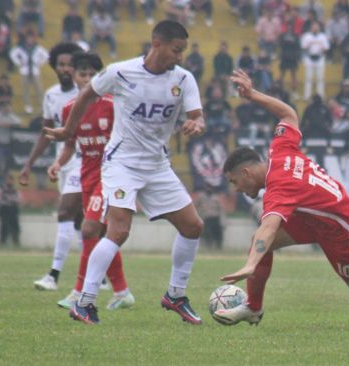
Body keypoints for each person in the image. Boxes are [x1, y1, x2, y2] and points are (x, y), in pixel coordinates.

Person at [212, 69, 349, 326]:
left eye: (234, 181)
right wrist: (252, 95)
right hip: (315, 221)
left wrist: (251, 263)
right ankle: (253, 307)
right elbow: (289, 114)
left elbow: (269, 227)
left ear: (246, 172)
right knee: (261, 242)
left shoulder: (279, 187)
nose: (235, 188)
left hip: (345, 229)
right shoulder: (280, 149)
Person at [45, 20, 207, 324]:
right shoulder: (121, 72)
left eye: (182, 51)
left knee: (193, 226)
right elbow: (86, 95)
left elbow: (198, 117)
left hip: (158, 165)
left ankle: (175, 295)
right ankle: (85, 302)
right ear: (157, 44)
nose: (180, 56)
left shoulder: (183, 79)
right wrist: (68, 131)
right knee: (118, 231)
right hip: (122, 164)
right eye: (176, 50)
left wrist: (195, 125)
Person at [46, 51, 134, 311]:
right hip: (88, 174)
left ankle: (79, 292)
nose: (86, 79)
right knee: (104, 234)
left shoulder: (111, 104)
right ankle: (122, 292)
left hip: (110, 174)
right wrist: (58, 164)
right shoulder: (68, 108)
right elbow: (70, 144)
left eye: (91, 75)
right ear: (72, 75)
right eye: (81, 74)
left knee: (88, 230)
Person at [18, 42, 84, 291]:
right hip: (63, 162)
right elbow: (46, 133)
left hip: (83, 160)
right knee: (79, 221)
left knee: (65, 213)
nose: (66, 68)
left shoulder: (85, 94)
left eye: (70, 64)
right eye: (61, 64)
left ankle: (53, 276)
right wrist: (29, 164)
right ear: (54, 66)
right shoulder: (51, 95)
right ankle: (98, 278)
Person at [0, 174, 20, 246]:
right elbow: (0, 200)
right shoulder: (2, 190)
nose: (9, 182)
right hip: (4, 210)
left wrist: (10, 200)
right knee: (4, 227)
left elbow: (17, 200)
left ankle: (16, 242)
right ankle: (2, 242)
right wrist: (9, 200)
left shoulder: (15, 190)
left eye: (10, 180)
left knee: (15, 227)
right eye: (8, 180)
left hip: (13, 210)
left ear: (13, 181)